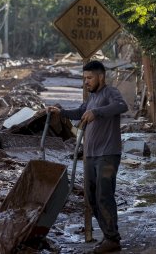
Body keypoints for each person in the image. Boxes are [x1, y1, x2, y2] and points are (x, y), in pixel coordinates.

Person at [47, 60, 128, 253]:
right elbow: (80, 112)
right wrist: (61, 112)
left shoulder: (110, 93)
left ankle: (112, 239)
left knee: (104, 195)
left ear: (101, 77)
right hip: (90, 155)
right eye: (84, 78)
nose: (86, 82)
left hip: (108, 154)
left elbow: (122, 106)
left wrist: (97, 113)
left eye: (90, 78)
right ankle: (110, 236)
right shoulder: (91, 98)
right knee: (92, 198)